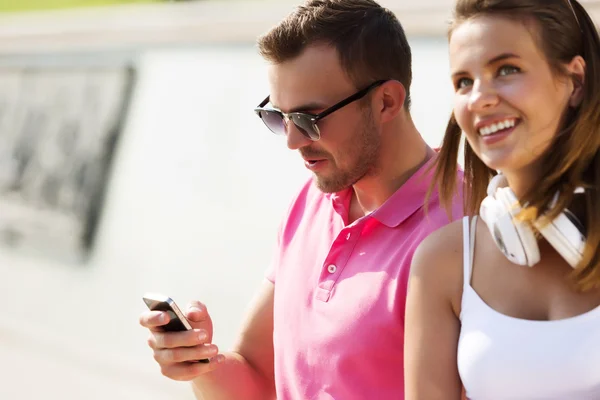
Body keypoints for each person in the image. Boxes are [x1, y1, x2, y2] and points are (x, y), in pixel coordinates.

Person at [139, 0, 463, 399]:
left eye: (310, 118)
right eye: (280, 118)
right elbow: (259, 377)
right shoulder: (310, 202)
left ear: (386, 102)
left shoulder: (466, 228)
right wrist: (201, 364)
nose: (293, 142)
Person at [404, 0, 600, 399]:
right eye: (463, 81)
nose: (479, 99)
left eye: (506, 70)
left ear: (575, 81)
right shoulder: (445, 261)